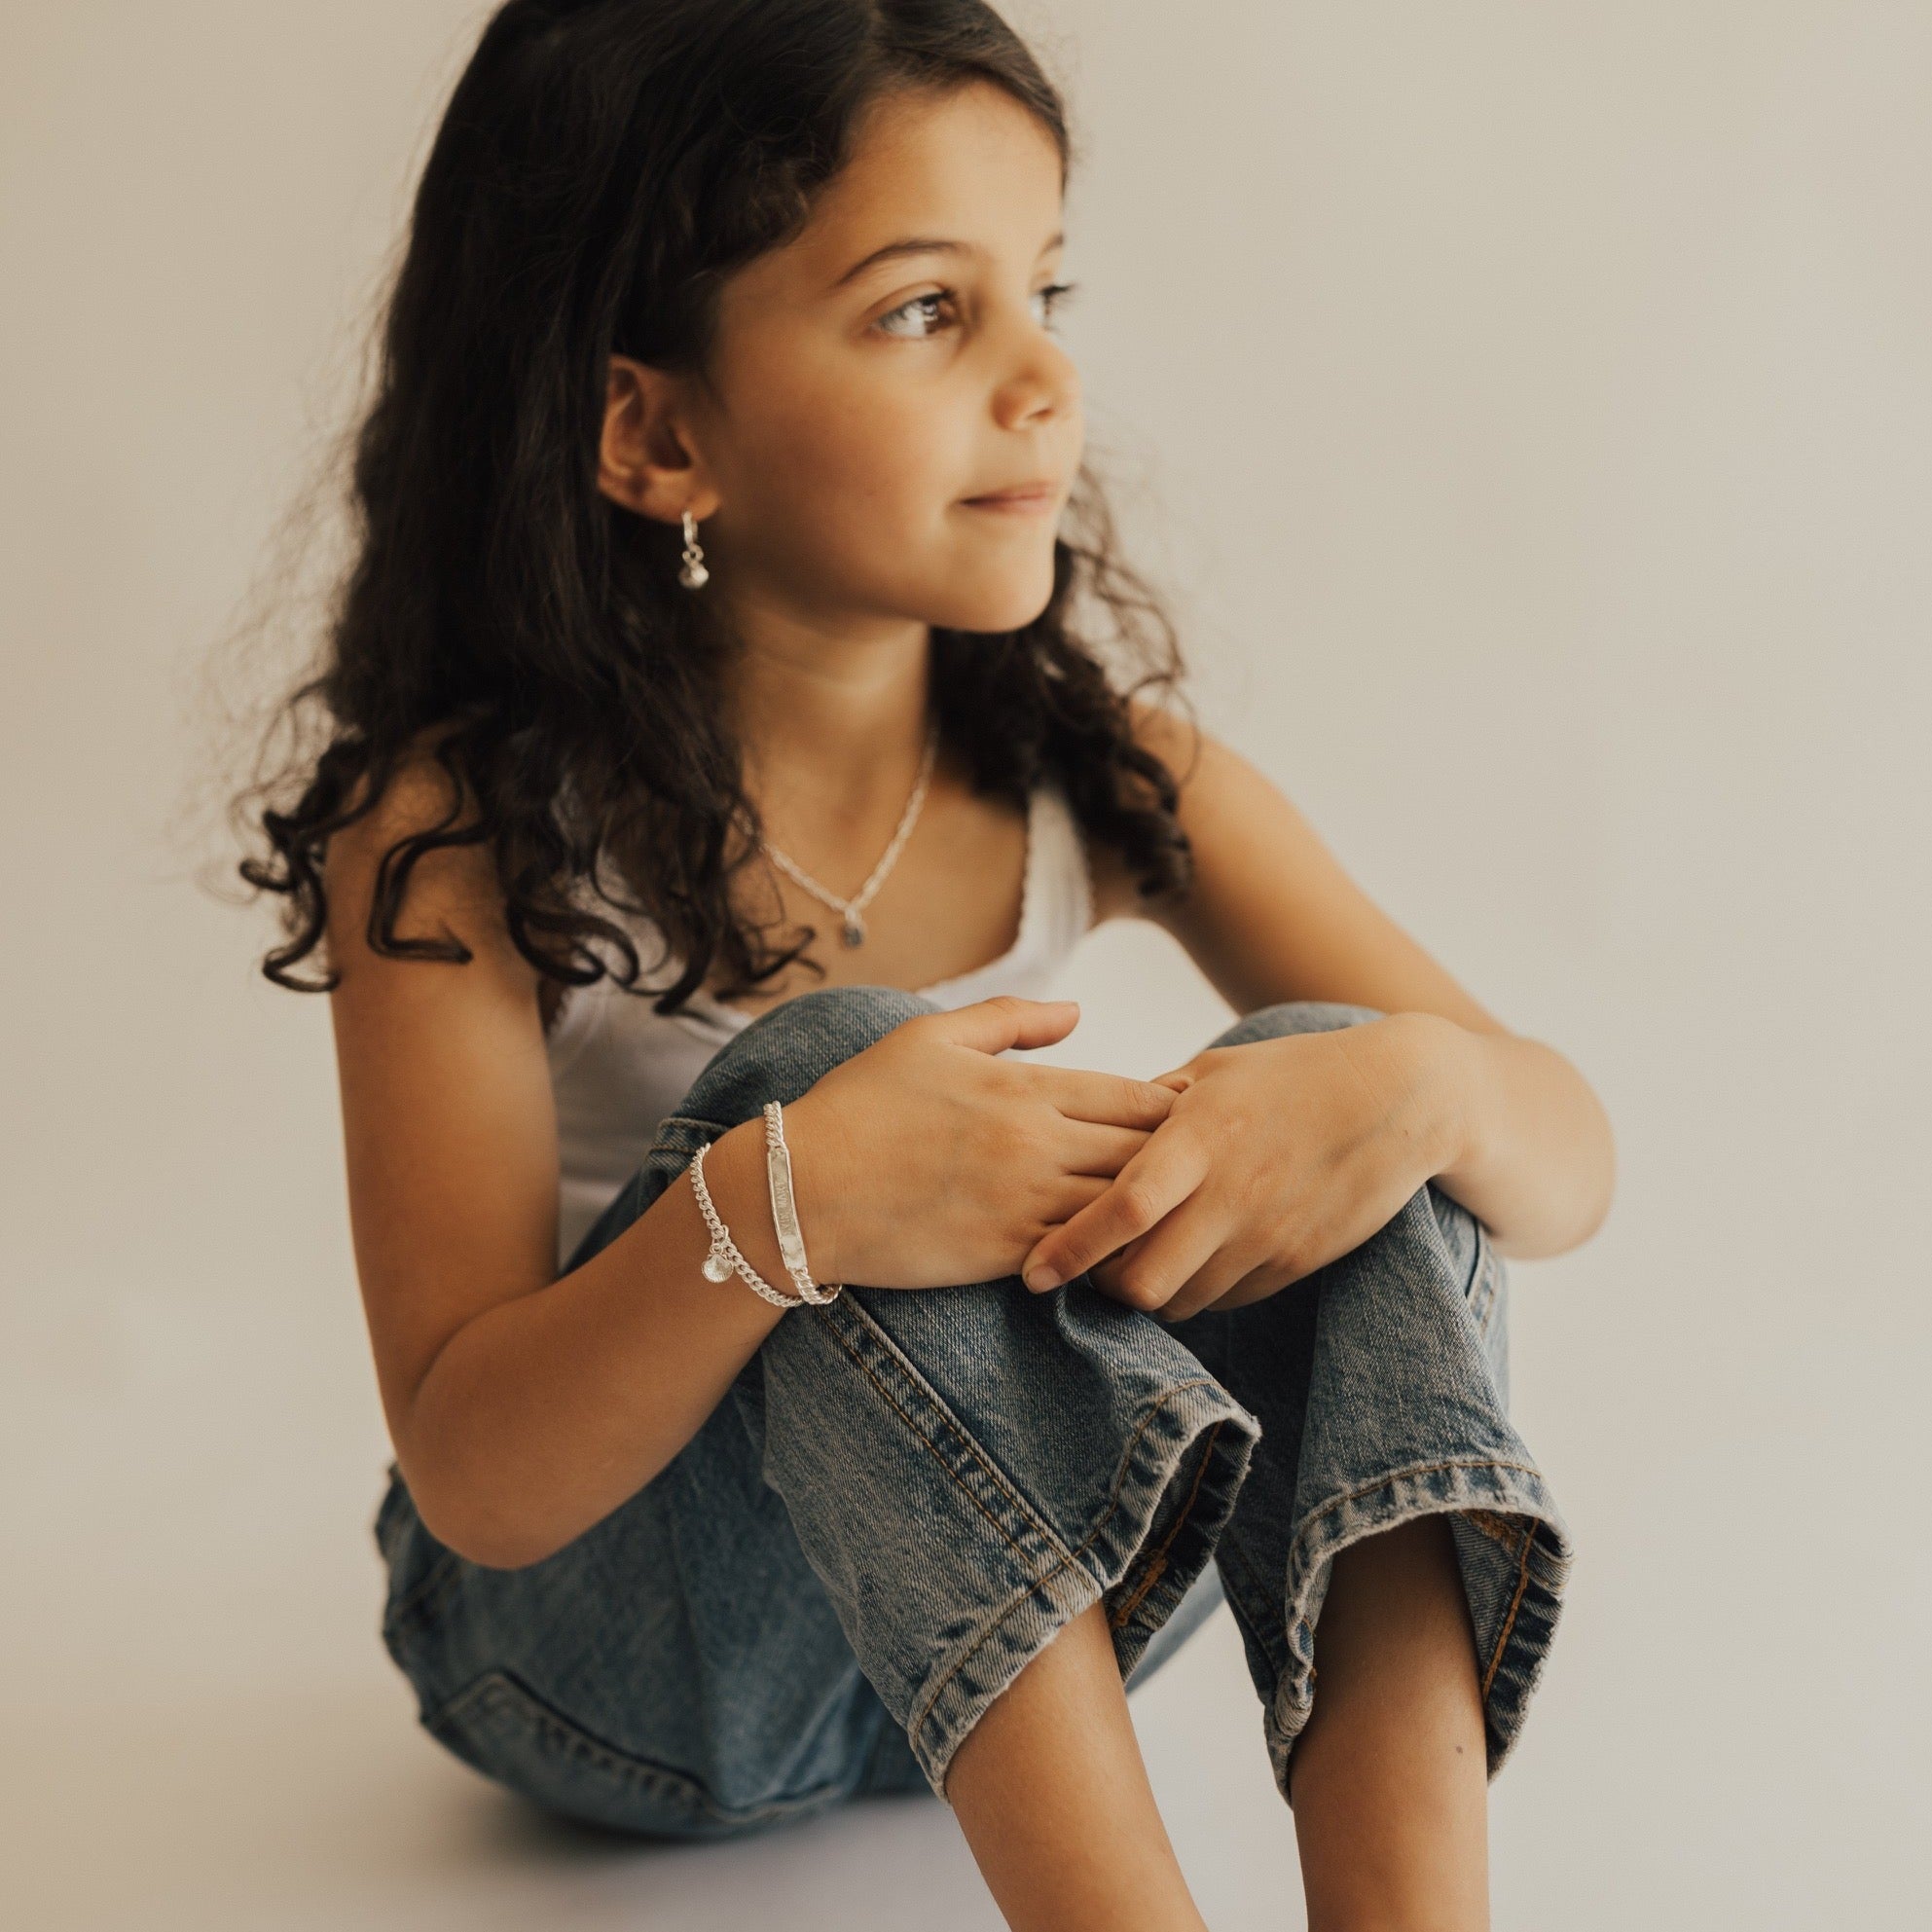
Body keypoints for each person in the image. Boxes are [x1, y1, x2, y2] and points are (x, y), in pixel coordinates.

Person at [234, 4, 1611, 1926]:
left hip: (1024, 1612)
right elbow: (475, 1476)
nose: (1044, 375)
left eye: (1042, 289)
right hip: (621, 1673)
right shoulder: (460, 830)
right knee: (839, 1070)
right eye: (921, 312)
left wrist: (1425, 1088)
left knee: (1347, 1080)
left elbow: (1562, 1163)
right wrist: (790, 1206)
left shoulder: (1111, 779)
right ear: (657, 430)